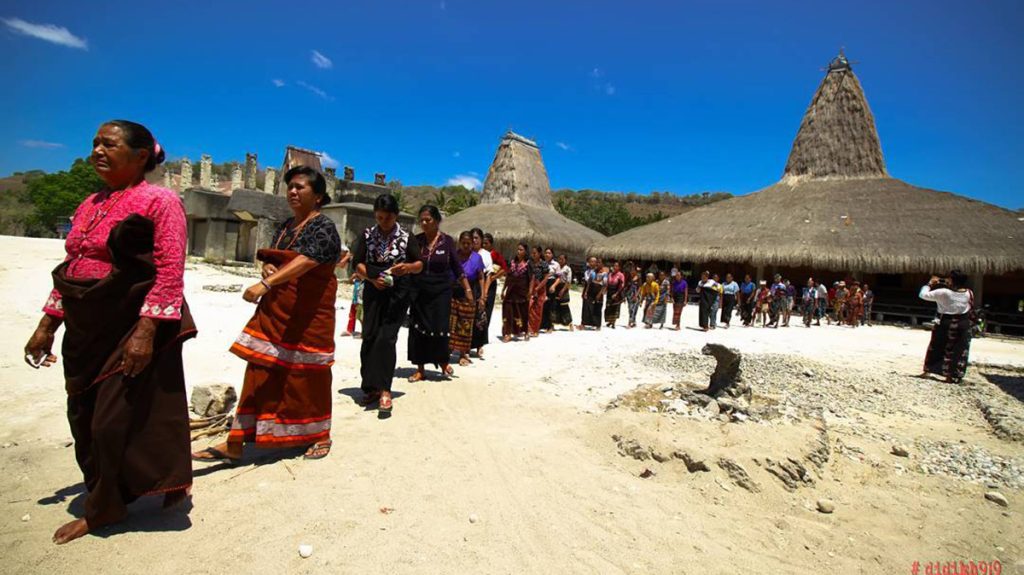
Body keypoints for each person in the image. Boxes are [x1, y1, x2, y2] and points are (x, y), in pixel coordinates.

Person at [25, 120, 193, 545]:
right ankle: (110, 490)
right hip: (86, 326)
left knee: (109, 422)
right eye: (95, 143)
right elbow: (74, 268)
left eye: (110, 144)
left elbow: (171, 269)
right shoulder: (88, 204)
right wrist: (48, 323)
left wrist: (146, 330)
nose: (98, 150)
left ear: (140, 156)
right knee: (81, 416)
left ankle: (104, 508)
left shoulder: (161, 201)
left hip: (130, 324)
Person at [195, 165, 341, 464]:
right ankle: (237, 440)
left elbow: (308, 261)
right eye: (290, 186)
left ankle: (319, 433)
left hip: (309, 317)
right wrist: (268, 270)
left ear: (319, 197)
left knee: (308, 376)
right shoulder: (285, 227)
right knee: (260, 367)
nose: (293, 191)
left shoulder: (324, 226)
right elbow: (278, 260)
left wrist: (265, 284)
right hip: (278, 313)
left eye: (301, 187)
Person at [354, 194, 422, 413]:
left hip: (398, 294)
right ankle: (370, 387)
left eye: (387, 218)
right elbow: (358, 264)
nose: (383, 222)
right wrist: (372, 278)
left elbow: (419, 263)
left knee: (386, 339)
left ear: (396, 216)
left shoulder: (406, 236)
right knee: (370, 337)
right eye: (379, 217)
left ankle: (385, 389)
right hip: (374, 292)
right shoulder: (367, 235)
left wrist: (408, 268)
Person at [408, 206, 470, 382]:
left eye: (428, 220)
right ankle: (420, 369)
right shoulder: (416, 240)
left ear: (437, 221)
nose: (424, 223)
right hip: (419, 291)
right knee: (418, 328)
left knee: (440, 327)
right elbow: (408, 263)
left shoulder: (447, 241)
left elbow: (457, 267)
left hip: (442, 291)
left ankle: (443, 362)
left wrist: (467, 289)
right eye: (422, 220)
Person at [920, 271, 974, 383]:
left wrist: (929, 284)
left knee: (937, 346)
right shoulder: (969, 293)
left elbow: (922, 295)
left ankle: (929, 370)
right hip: (962, 324)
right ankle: (951, 375)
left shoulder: (943, 292)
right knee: (958, 349)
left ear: (952, 280)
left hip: (945, 322)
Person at [451, 231, 485, 365]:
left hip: (470, 294)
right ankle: (447, 350)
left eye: (468, 243)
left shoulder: (477, 258)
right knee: (450, 322)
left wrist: (482, 296)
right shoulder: (454, 256)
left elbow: (481, 277)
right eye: (463, 243)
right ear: (459, 242)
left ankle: (463, 353)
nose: (465, 246)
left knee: (465, 324)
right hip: (453, 291)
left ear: (472, 244)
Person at [470, 229, 497, 358]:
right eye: (472, 238)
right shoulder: (467, 253)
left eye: (476, 238)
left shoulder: (485, 254)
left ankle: (479, 345)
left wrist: (484, 293)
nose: (474, 240)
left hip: (482, 287)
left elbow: (489, 275)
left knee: (481, 317)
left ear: (481, 240)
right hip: (469, 287)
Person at [501, 243, 532, 342]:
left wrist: (530, 291)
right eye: (518, 249)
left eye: (521, 250)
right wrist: (503, 289)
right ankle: (508, 333)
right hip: (511, 291)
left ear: (525, 252)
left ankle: (526, 331)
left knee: (523, 312)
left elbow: (532, 279)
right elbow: (508, 277)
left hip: (522, 292)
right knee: (508, 311)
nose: (518, 251)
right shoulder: (512, 262)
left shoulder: (528, 264)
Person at [550, 253, 574, 329]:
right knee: (555, 306)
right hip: (556, 287)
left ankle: (569, 323)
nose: (560, 260)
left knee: (564, 306)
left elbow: (568, 281)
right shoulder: (557, 267)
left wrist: (563, 290)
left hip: (564, 287)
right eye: (559, 259)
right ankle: (553, 324)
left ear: (565, 260)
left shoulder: (568, 269)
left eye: (562, 259)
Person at [527, 246, 548, 336]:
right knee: (529, 308)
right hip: (531, 287)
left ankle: (535, 330)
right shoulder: (530, 263)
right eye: (532, 253)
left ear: (539, 254)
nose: (533, 255)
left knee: (537, 310)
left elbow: (546, 278)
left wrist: (538, 287)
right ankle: (529, 328)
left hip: (540, 289)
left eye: (535, 253)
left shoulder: (544, 264)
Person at [580, 256, 605, 330]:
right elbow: (588, 283)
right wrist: (585, 292)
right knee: (587, 307)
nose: (595, 264)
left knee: (597, 307)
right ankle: (585, 323)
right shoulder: (591, 272)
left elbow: (605, 285)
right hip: (590, 290)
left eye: (597, 262)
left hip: (598, 291)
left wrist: (600, 294)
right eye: (592, 261)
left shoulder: (604, 273)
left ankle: (597, 325)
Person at [539, 248, 560, 333]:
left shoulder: (556, 264)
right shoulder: (541, 263)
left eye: (549, 253)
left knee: (550, 305)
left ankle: (550, 326)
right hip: (542, 284)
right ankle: (541, 324)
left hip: (551, 284)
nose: (547, 254)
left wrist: (554, 286)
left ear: (552, 254)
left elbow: (559, 277)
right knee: (542, 304)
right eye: (546, 253)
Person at [604, 260, 626, 328]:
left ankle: (613, 322)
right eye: (614, 266)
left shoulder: (621, 275)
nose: (615, 267)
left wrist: (616, 293)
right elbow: (607, 283)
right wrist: (605, 290)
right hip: (609, 292)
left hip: (616, 292)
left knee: (615, 307)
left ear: (619, 267)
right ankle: (610, 321)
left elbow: (621, 285)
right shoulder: (610, 274)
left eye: (616, 266)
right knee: (608, 307)